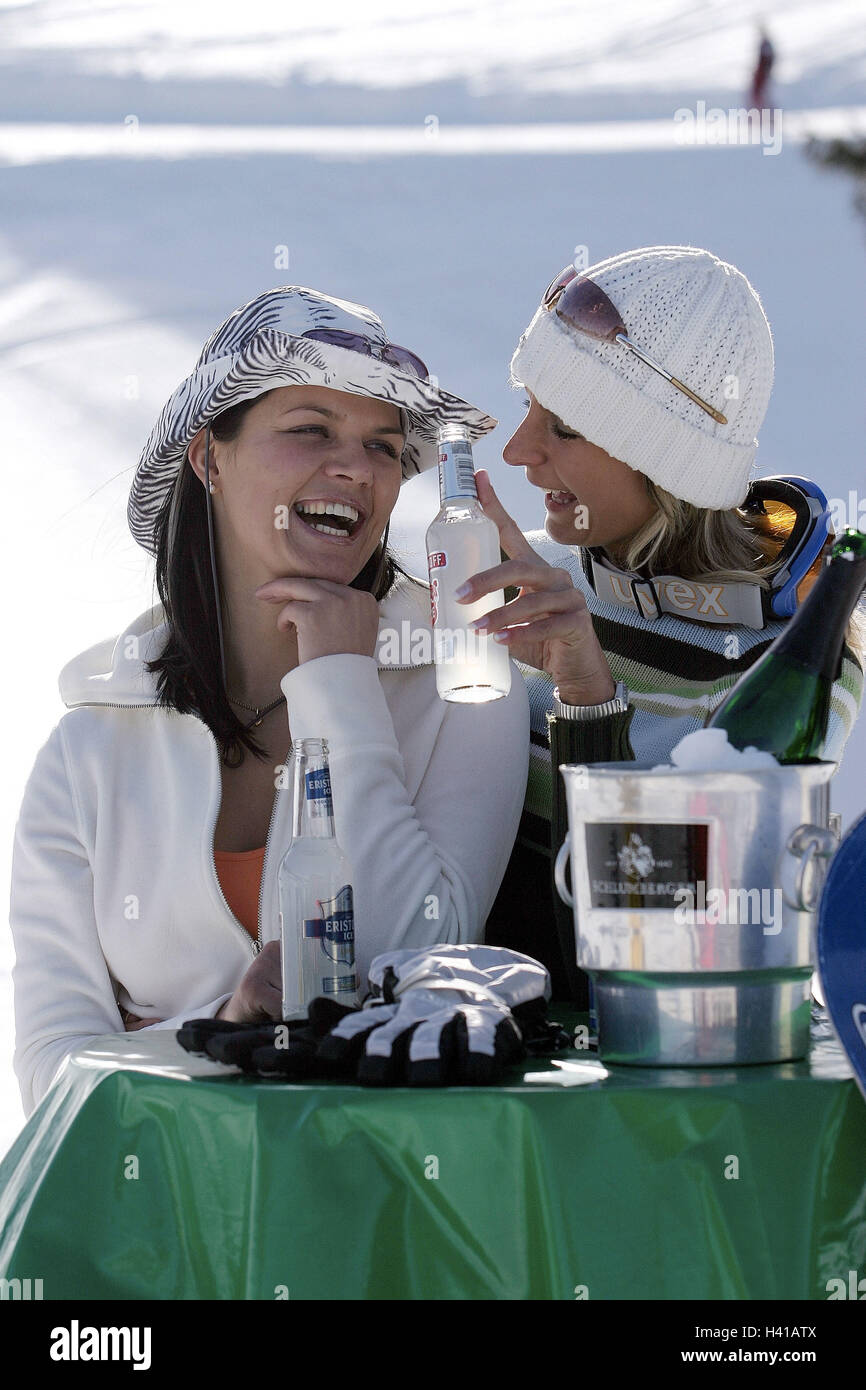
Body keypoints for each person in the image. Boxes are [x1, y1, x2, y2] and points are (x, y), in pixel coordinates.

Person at [10, 285, 529, 1117]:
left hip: (389, 1208)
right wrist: (224, 1025)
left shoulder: (466, 682)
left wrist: (339, 685)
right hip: (169, 1223)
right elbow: (50, 1078)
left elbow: (415, 952)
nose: (356, 469)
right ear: (209, 458)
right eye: (310, 430)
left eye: (385, 448)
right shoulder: (90, 746)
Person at [473, 245, 864, 1003]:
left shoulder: (789, 665)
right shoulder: (524, 581)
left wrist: (588, 697)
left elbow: (668, 948)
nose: (517, 451)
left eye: (566, 428)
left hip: (646, 1084)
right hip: (463, 1058)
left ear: (664, 467)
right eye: (527, 407)